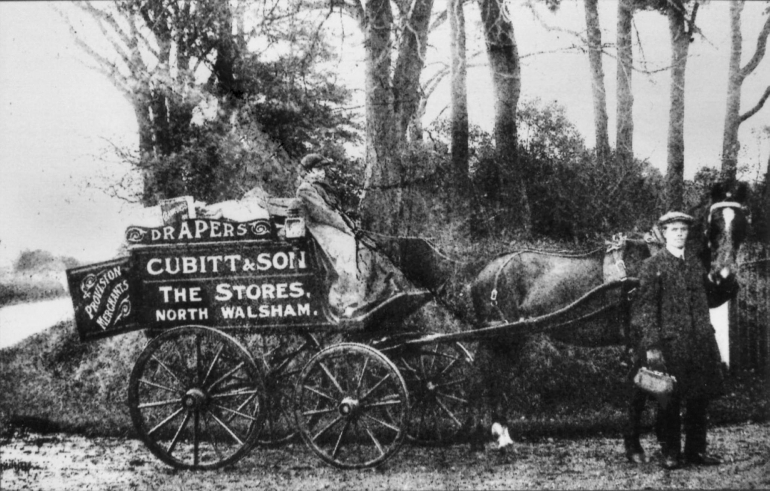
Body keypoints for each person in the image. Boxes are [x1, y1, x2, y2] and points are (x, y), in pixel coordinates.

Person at [629, 211, 725, 470]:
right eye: (674, 230)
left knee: (699, 399)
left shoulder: (695, 265)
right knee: (668, 400)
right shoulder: (653, 265)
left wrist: (728, 281)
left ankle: (696, 452)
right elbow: (646, 310)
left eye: (684, 229)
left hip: (700, 343)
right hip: (671, 345)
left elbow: (709, 302)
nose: (680, 233)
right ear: (665, 233)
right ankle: (671, 452)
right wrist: (652, 346)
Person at [295, 153, 412, 318]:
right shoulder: (305, 189)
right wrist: (347, 229)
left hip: (331, 227)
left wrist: (351, 227)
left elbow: (336, 212)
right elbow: (325, 214)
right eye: (318, 169)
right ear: (307, 171)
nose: (322, 172)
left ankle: (374, 294)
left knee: (367, 249)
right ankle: (347, 302)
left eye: (323, 169)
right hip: (320, 230)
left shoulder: (320, 188)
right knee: (349, 250)